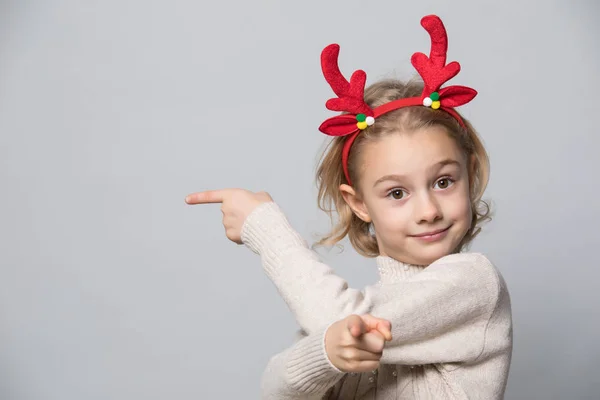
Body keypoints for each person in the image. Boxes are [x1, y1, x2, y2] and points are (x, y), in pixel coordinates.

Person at [186, 14, 513, 399]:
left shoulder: (474, 283)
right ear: (358, 204)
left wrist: (265, 229)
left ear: (469, 176)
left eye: (443, 182)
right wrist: (326, 353)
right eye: (397, 193)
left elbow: (344, 317)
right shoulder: (348, 310)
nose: (428, 210)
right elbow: (276, 388)